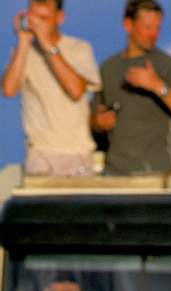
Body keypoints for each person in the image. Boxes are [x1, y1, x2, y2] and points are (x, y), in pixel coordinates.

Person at [91, 0, 171, 176]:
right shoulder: (109, 68)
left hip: (159, 172)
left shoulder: (168, 67)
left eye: (158, 28)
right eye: (148, 27)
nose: (153, 34)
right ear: (128, 25)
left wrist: (158, 86)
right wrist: (99, 121)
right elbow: (92, 118)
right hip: (117, 171)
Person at [1, 0, 101, 177]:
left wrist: (47, 44)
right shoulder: (24, 52)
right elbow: (8, 90)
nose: (37, 24)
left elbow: (76, 90)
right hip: (41, 154)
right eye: (33, 18)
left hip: (78, 152)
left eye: (44, 18)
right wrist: (23, 41)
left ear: (60, 18)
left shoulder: (80, 48)